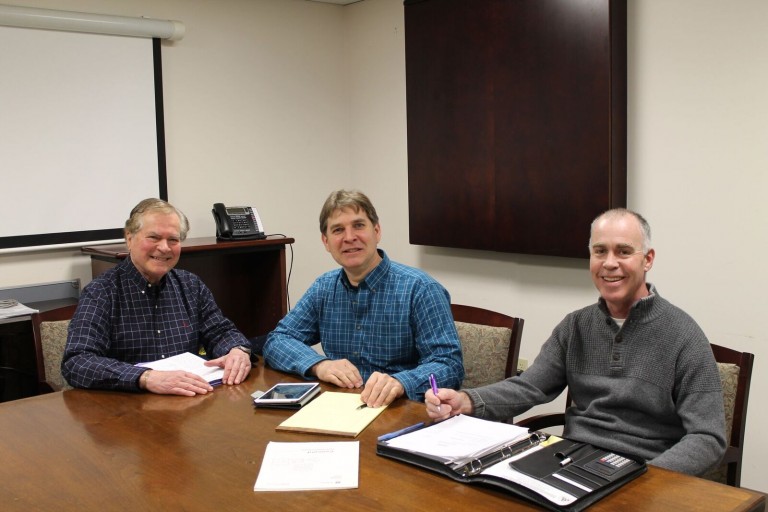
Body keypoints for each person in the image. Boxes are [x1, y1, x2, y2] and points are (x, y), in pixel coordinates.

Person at [426, 208, 726, 476]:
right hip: (571, 462)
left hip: (643, 472)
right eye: (600, 251)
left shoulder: (684, 335)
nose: (610, 263)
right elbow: (530, 386)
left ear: (647, 259)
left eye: (623, 252)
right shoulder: (576, 325)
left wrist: (649, 478)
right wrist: (467, 401)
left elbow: (708, 438)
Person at [263, 189, 464, 407]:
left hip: (400, 409)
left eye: (358, 225)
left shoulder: (420, 289)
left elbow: (449, 365)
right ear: (326, 242)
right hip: (340, 408)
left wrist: (401, 382)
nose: (349, 237)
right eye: (338, 230)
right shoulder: (323, 288)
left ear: (377, 231)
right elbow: (278, 340)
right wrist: (319, 365)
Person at [62, 198, 253, 395]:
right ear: (129, 238)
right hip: (127, 406)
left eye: (173, 240)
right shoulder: (101, 292)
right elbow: (77, 362)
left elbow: (220, 331)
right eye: (154, 237)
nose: (164, 248)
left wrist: (237, 350)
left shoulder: (191, 285)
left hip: (189, 401)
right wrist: (145, 377)